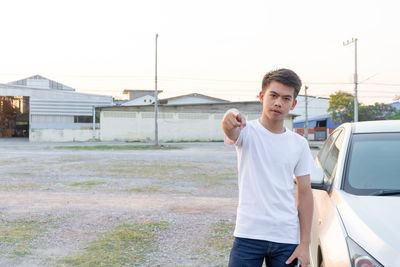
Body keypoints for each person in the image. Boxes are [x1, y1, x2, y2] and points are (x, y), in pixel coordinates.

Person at [221, 68, 314, 267]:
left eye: (286, 98)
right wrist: (231, 114)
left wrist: (305, 244)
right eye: (273, 95)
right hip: (248, 233)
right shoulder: (246, 132)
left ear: (293, 103)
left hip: (287, 237)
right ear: (262, 96)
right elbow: (230, 128)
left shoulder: (299, 144)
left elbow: (305, 193)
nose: (278, 103)